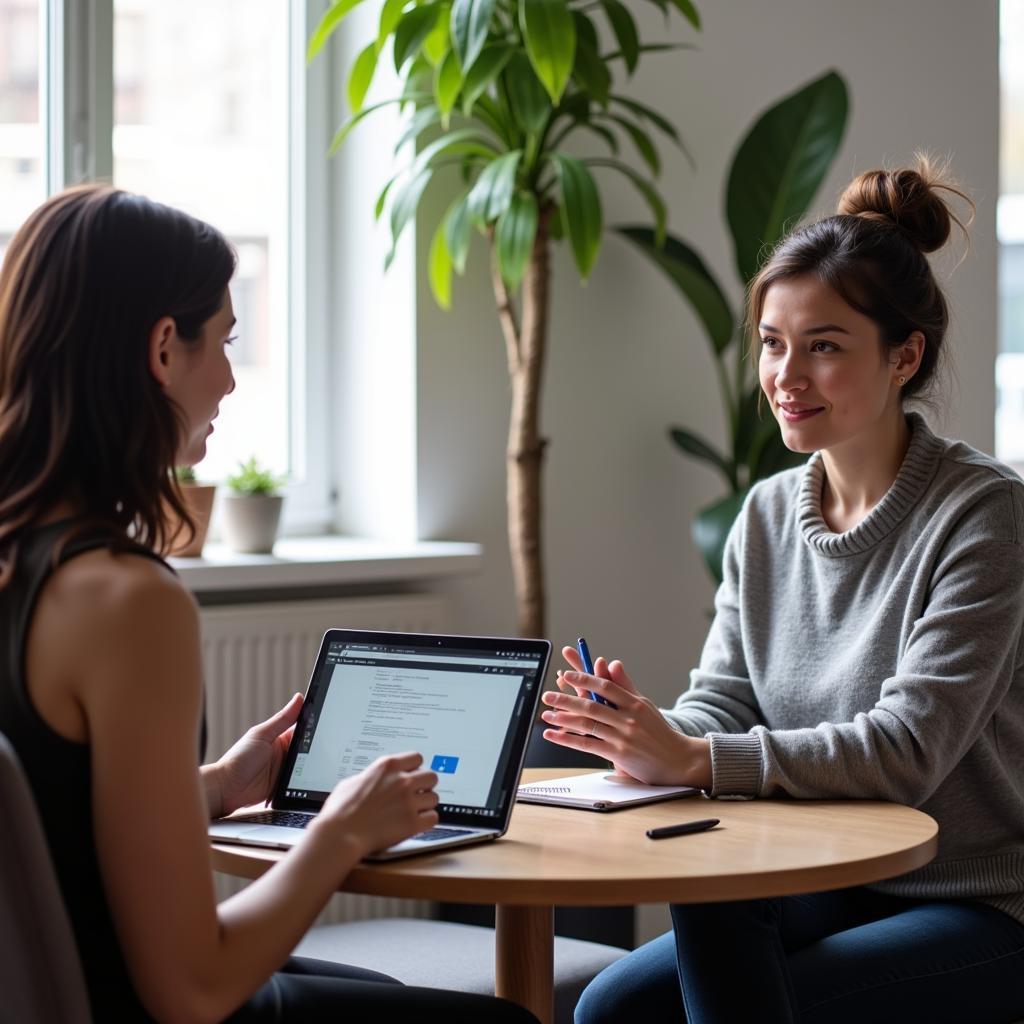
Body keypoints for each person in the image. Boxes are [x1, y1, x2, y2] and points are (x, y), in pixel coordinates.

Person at [0, 184, 537, 1024]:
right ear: (163, 348)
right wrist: (343, 832)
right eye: (225, 341)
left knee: (379, 994)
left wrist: (213, 788)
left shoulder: (20, 562)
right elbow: (192, 989)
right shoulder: (128, 601)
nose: (227, 381)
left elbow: (54, 819)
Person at [540, 158, 1024, 1024]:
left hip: (978, 898)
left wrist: (695, 761)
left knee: (751, 992)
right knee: (612, 1010)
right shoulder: (764, 515)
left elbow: (907, 751)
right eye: (772, 342)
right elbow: (724, 703)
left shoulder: (985, 515)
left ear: (904, 355)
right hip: (827, 872)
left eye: (825, 346)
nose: (786, 377)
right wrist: (645, 733)